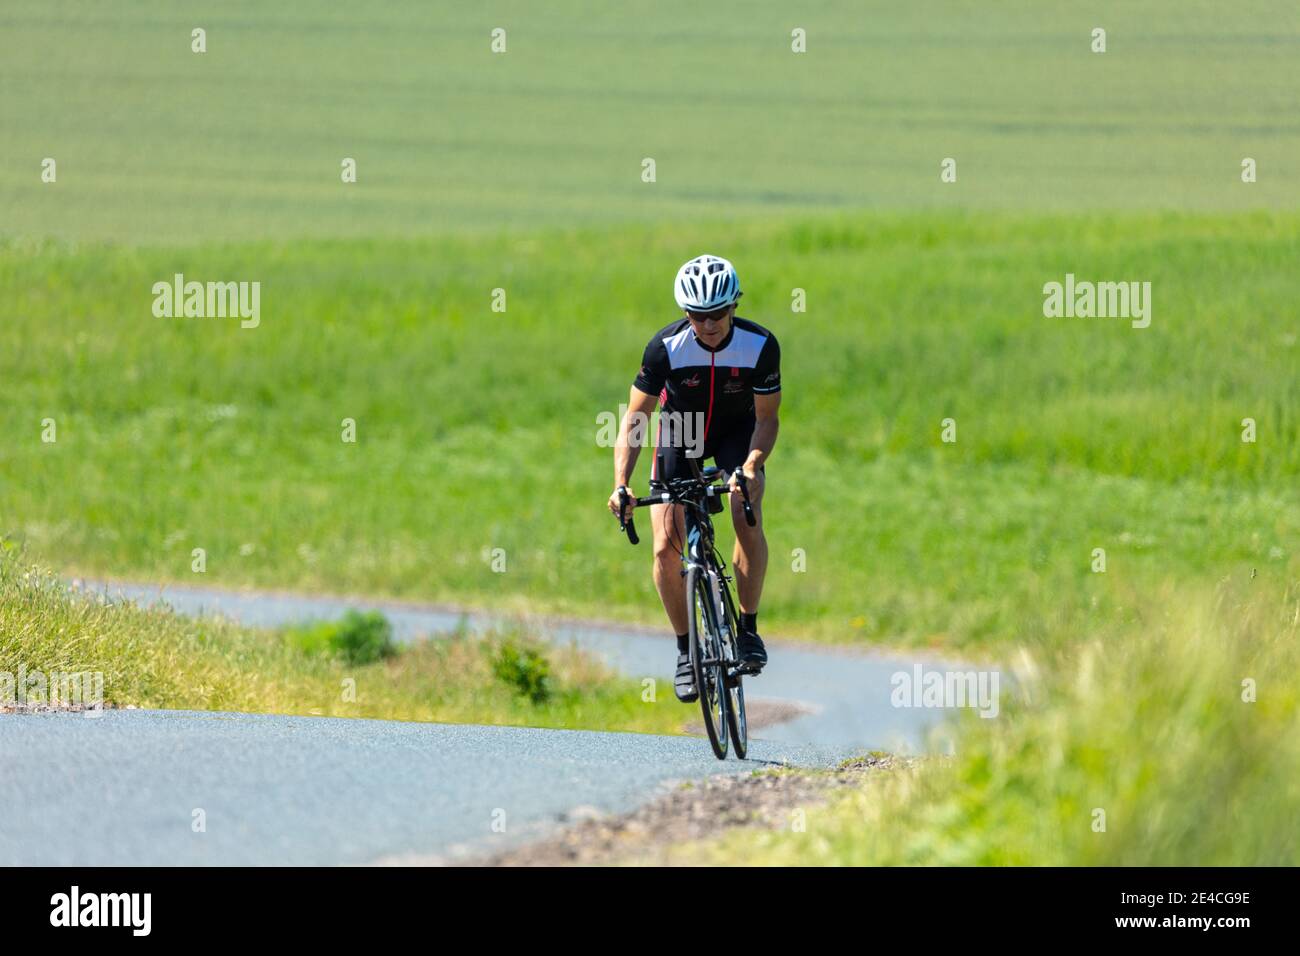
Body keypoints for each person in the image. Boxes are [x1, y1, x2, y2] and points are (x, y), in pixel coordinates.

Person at [607, 254, 781, 703]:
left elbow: (767, 419)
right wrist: (622, 483)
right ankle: (686, 652)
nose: (708, 324)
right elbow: (636, 419)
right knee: (665, 545)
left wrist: (750, 465)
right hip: (679, 432)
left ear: (734, 306)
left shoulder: (760, 345)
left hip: (735, 434)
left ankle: (748, 629)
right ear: (686, 313)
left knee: (748, 515)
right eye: (698, 316)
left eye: (718, 314)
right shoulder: (664, 348)